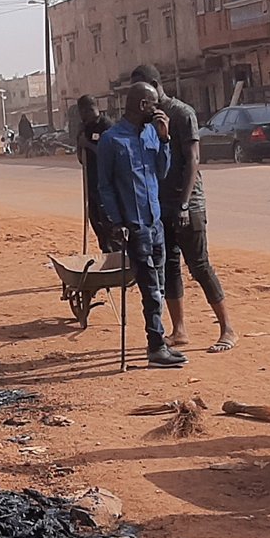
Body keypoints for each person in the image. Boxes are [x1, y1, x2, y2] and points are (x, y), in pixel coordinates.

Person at [132, 63, 236, 353]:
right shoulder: (146, 121)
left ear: (155, 84)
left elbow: (193, 159)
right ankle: (179, 330)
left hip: (188, 205)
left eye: (143, 91)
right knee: (169, 267)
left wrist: (185, 203)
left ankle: (227, 328)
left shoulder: (181, 113)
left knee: (200, 265)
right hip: (160, 206)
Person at [96, 82, 184, 369]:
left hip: (154, 220)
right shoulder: (112, 140)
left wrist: (165, 139)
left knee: (158, 283)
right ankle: (155, 345)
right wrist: (116, 222)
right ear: (141, 104)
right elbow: (105, 186)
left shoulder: (151, 134)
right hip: (133, 227)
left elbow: (162, 171)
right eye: (154, 103)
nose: (158, 109)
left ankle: (157, 342)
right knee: (150, 288)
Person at [75, 95, 115, 248]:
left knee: (110, 226)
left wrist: (89, 144)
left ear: (88, 110)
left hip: (106, 185)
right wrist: (80, 143)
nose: (81, 117)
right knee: (97, 225)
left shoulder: (107, 126)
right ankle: (106, 253)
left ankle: (117, 260)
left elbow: (109, 156)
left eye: (82, 113)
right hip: (91, 185)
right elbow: (81, 159)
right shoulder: (84, 128)